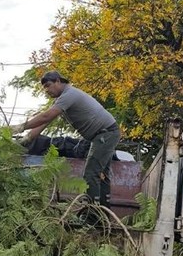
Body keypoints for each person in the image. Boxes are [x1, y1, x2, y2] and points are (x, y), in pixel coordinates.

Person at [10, 71, 120, 208]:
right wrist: (24, 141)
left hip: (105, 134)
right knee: (102, 174)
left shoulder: (69, 94)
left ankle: (92, 215)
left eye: (48, 85)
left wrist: (21, 126)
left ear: (58, 81)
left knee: (91, 173)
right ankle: (103, 212)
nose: (47, 90)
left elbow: (45, 116)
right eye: (44, 88)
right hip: (103, 135)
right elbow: (44, 123)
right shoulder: (61, 100)